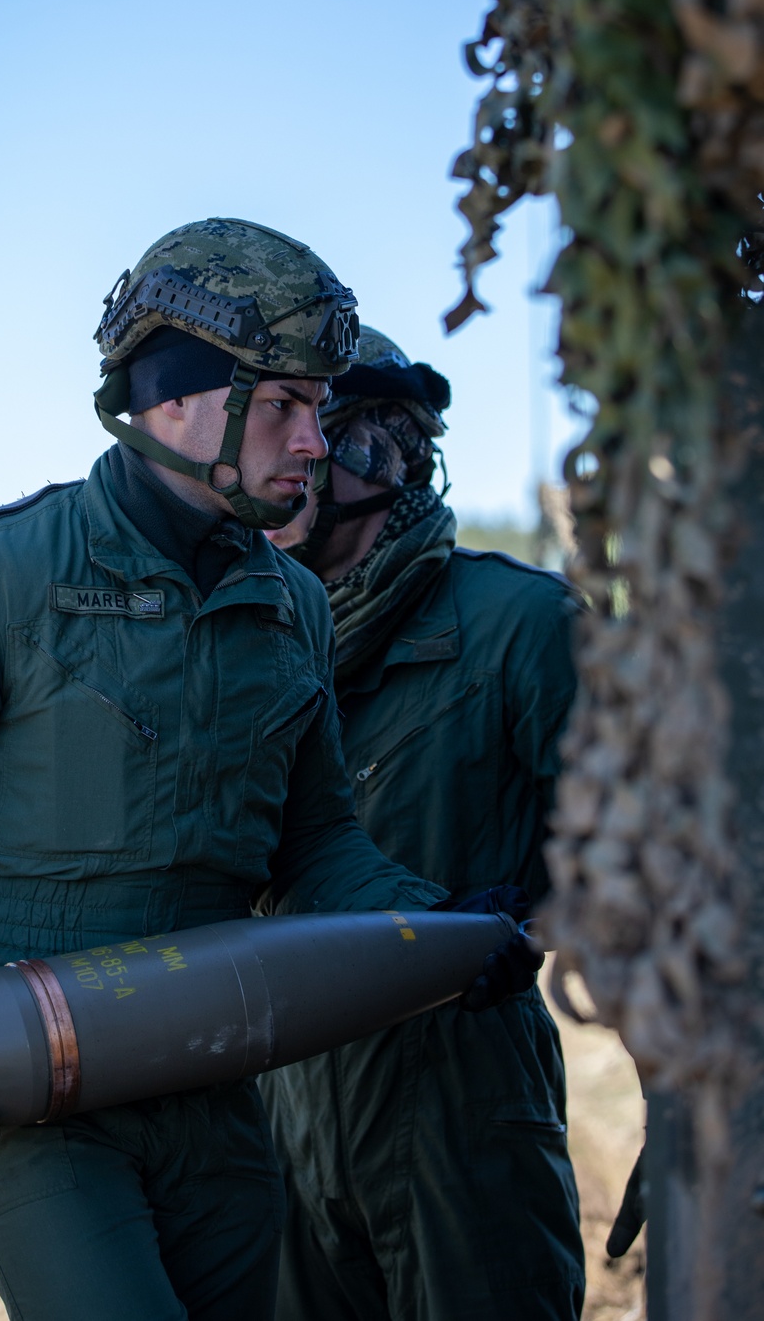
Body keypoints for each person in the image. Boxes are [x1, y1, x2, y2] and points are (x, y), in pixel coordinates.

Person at [0, 222, 537, 1321]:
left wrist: (439, 934)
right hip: (35, 1074)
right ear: (176, 401)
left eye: (319, 408)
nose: (315, 442)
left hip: (222, 1073)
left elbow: (317, 845)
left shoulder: (292, 608)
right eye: (285, 405)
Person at [262, 324, 587, 1321]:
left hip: (460, 1113)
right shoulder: (249, 648)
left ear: (378, 455)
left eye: (312, 432)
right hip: (281, 1122)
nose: (284, 463)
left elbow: (645, 854)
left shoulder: (518, 626)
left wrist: (523, 922)